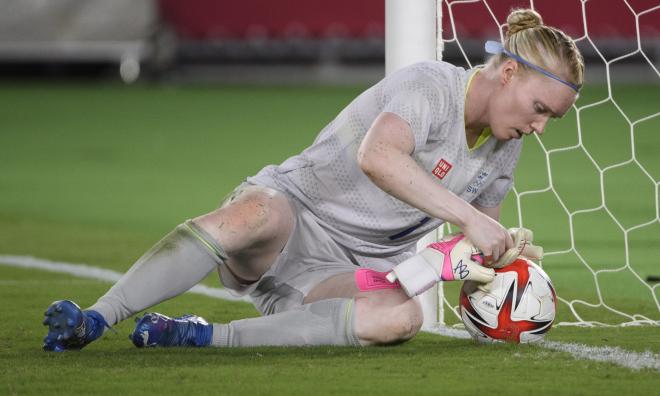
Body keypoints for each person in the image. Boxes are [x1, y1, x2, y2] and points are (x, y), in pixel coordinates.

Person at [42, 8, 584, 351]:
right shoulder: (430, 85)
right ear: (508, 72)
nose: (538, 127)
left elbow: (474, 247)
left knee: (401, 319)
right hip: (287, 216)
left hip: (349, 272)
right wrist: (467, 219)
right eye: (539, 108)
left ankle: (196, 335)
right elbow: (379, 156)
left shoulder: (503, 147)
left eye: (549, 119)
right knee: (258, 211)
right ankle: (96, 317)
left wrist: (498, 265)